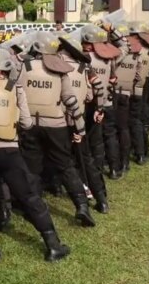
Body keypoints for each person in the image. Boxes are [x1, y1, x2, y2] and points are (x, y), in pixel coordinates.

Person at [0, 48, 71, 261]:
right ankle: (52, 244)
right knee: (29, 196)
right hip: (9, 150)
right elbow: (27, 123)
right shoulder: (15, 88)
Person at [19, 31, 94, 227]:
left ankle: (34, 209)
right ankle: (81, 205)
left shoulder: (24, 67)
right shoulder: (60, 70)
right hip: (56, 124)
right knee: (65, 166)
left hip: (31, 125)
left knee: (32, 168)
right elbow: (71, 100)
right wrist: (80, 129)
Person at [57, 34, 109, 214]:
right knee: (85, 158)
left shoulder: (54, 66)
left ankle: (66, 190)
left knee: (62, 158)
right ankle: (101, 199)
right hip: (78, 119)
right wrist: (99, 109)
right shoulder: (85, 68)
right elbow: (98, 89)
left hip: (59, 120)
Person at [81, 24, 124, 181]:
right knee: (109, 135)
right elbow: (113, 79)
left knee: (88, 138)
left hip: (89, 105)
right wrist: (113, 29)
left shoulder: (81, 58)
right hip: (106, 101)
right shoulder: (109, 58)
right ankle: (113, 169)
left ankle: (89, 171)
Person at [129, 23, 149, 165]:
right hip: (143, 88)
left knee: (133, 122)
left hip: (133, 90)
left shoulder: (136, 51)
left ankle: (139, 152)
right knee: (139, 121)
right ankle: (144, 149)